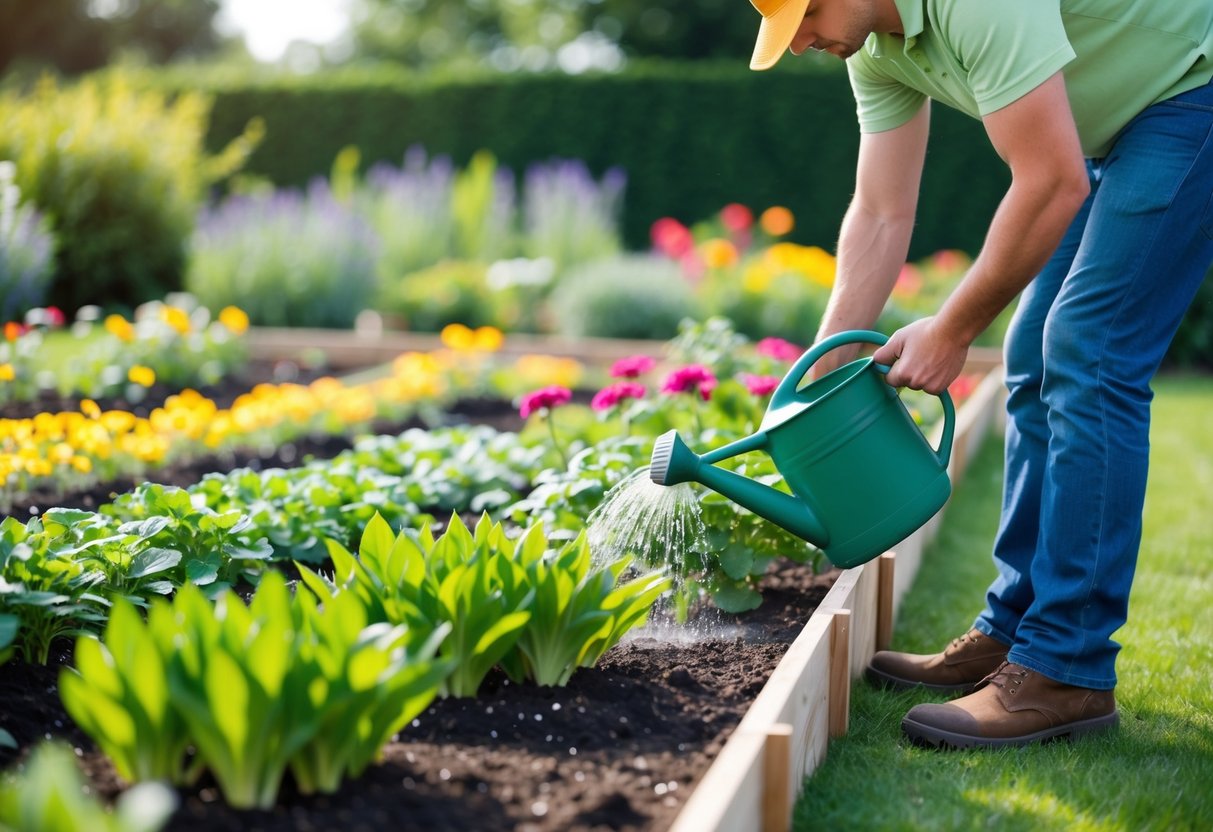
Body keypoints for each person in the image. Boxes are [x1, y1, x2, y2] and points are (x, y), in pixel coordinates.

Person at [746, 0, 1213, 749]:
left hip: (1189, 94)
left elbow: (1052, 182)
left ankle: (1067, 668)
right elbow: (878, 211)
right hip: (1107, 130)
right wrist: (819, 370)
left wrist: (954, 328)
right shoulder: (871, 48)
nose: (799, 41)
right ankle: (1015, 629)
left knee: (1087, 353)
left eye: (803, 15)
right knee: (1032, 354)